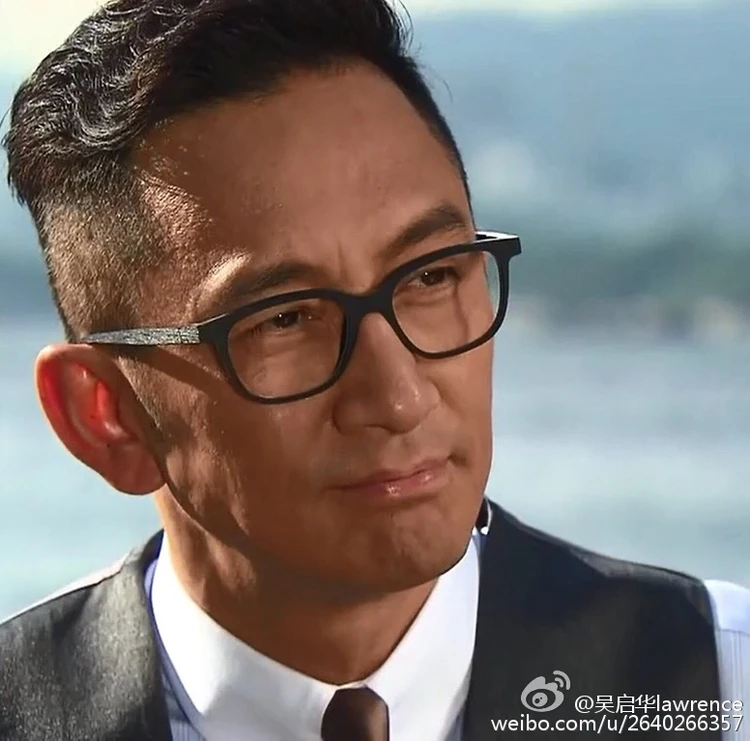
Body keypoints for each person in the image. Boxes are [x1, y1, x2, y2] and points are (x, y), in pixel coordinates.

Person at [0, 1, 748, 739]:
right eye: (284, 319)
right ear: (105, 415)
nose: (399, 396)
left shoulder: (719, 683)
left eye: (430, 276)